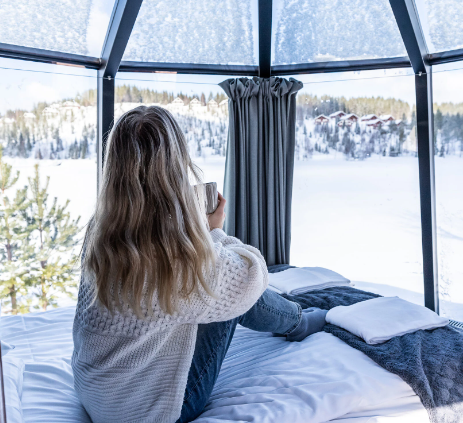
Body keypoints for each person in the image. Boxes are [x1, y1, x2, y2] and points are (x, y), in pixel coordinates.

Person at [72, 106, 327, 423]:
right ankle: (296, 321)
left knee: (211, 281)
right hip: (147, 412)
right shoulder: (176, 254)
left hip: (95, 391)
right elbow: (252, 275)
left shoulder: (102, 229)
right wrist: (213, 231)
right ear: (176, 164)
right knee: (228, 284)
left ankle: (294, 317)